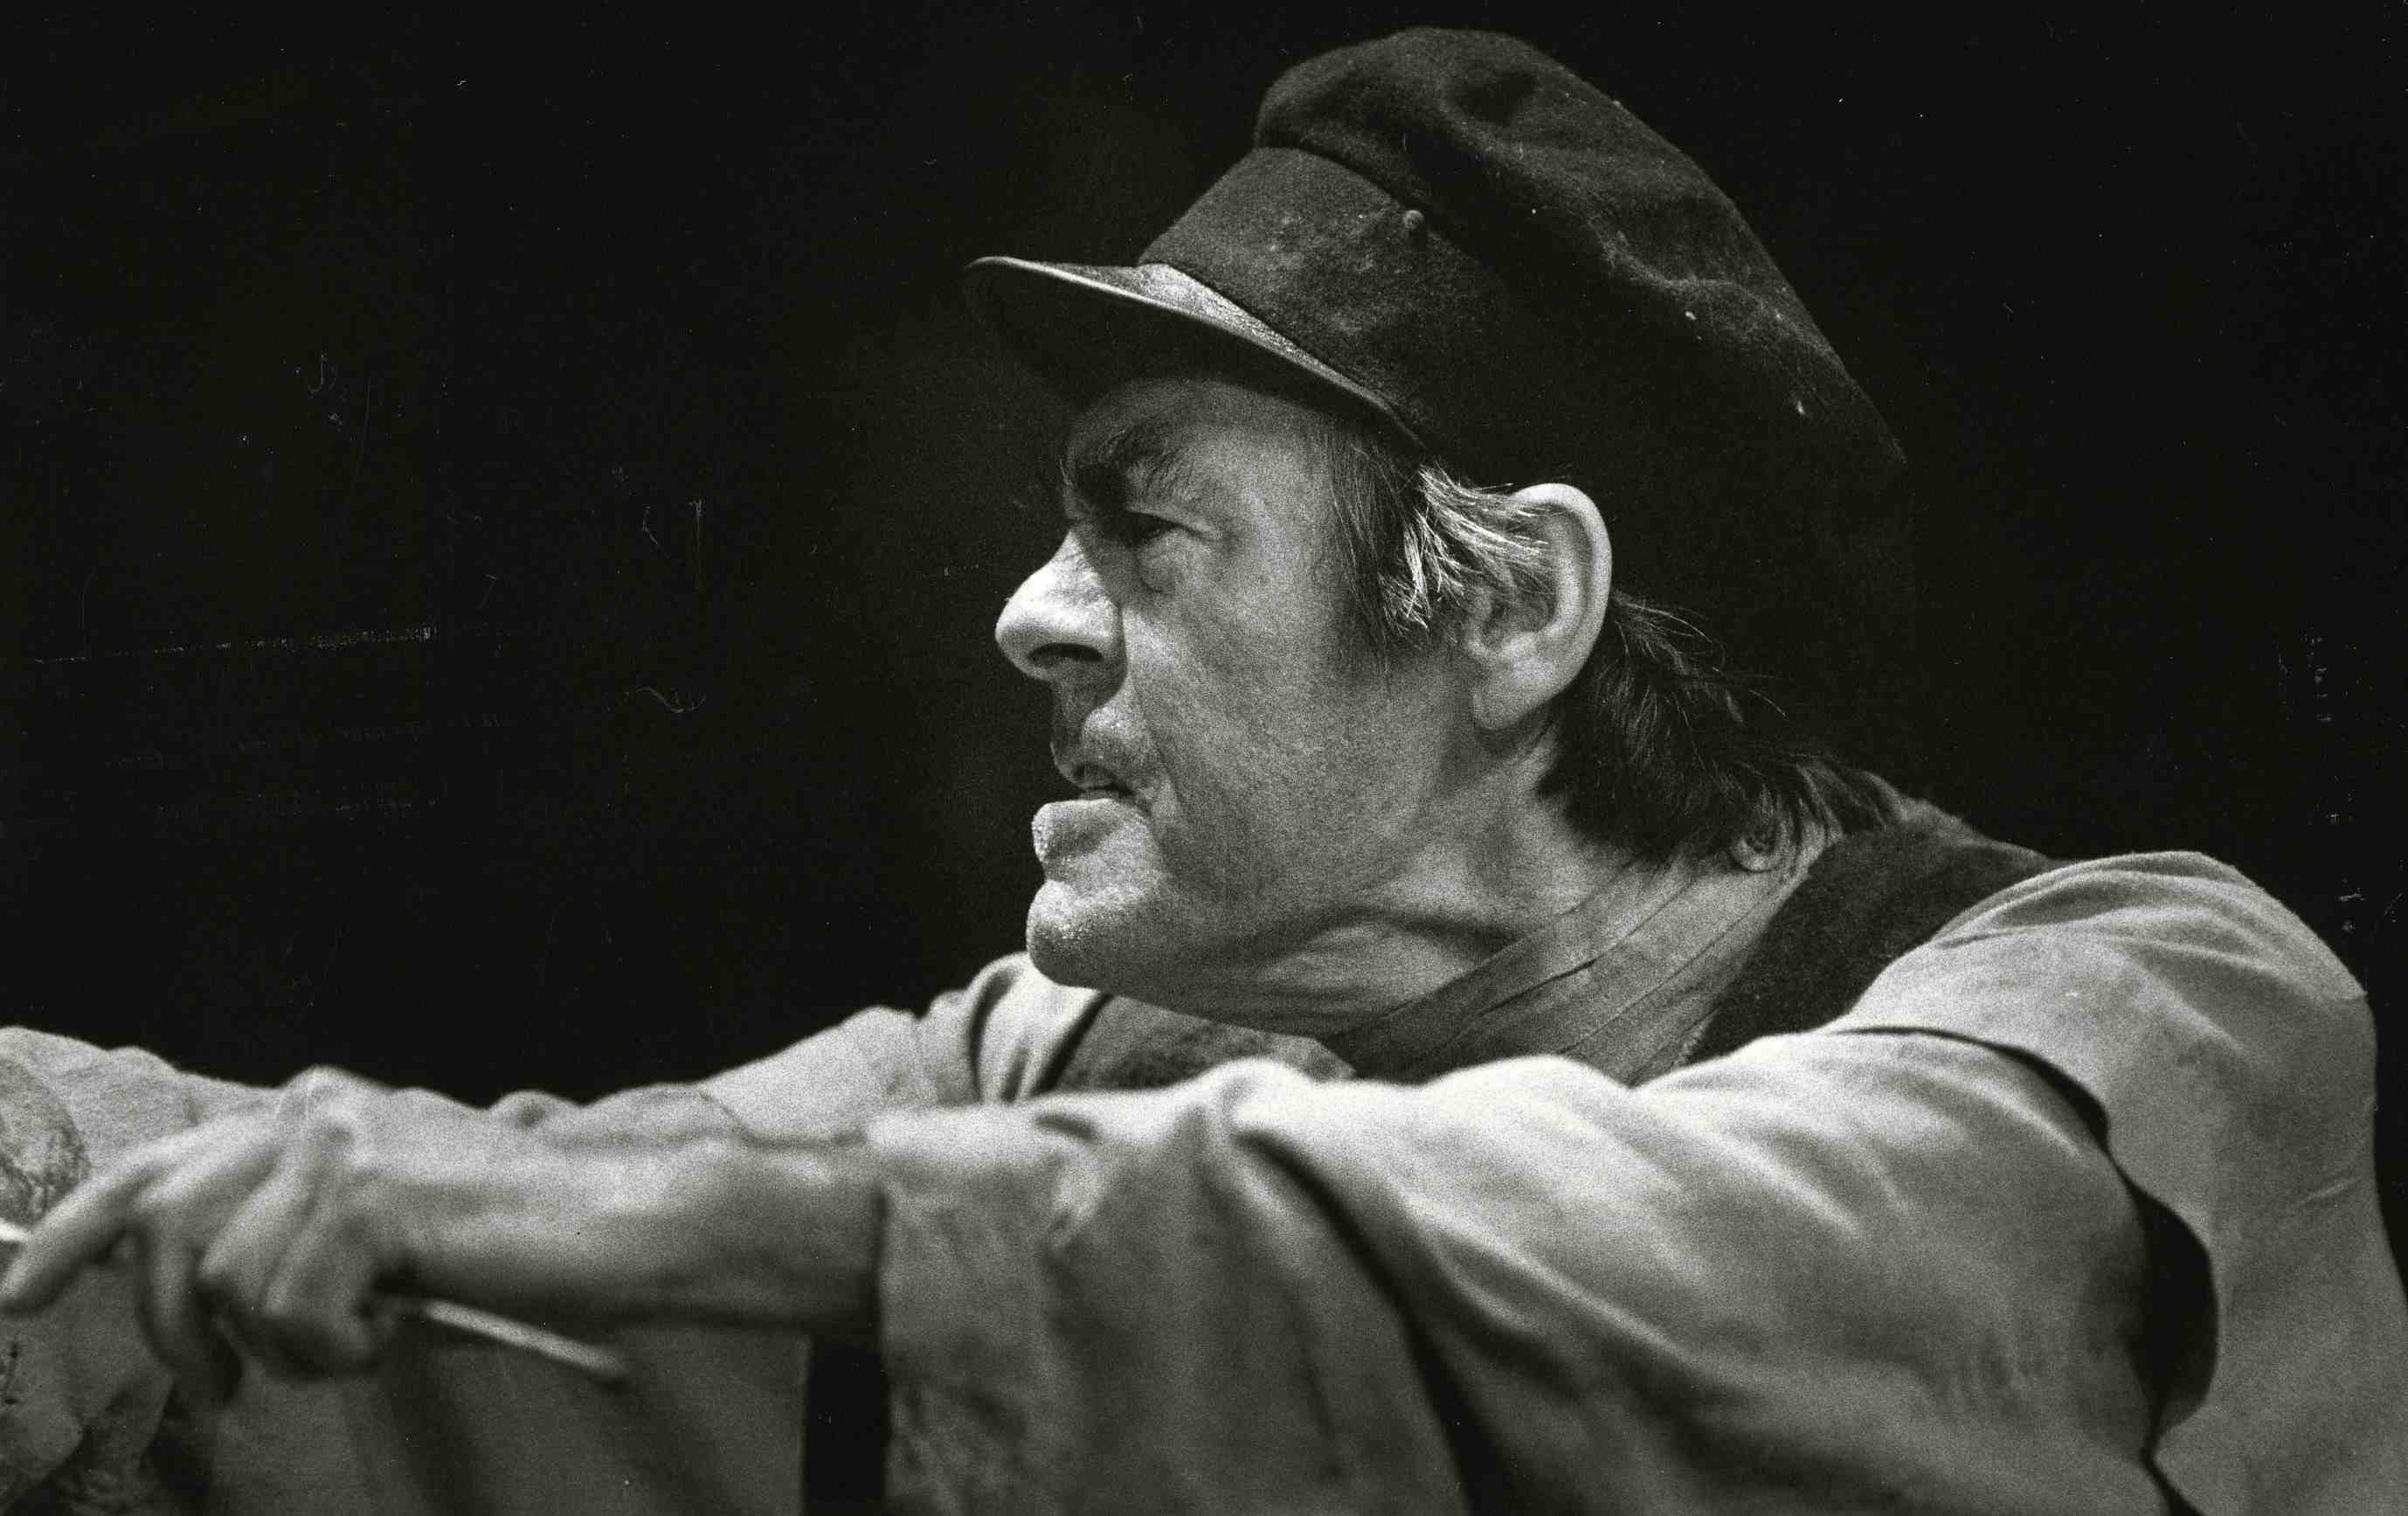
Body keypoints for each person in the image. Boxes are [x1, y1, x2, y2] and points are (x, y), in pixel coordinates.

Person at [2, 27, 2401, 1514]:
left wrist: (646, 1235)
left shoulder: (2146, 1006)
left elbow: (1629, 1270)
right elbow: (430, 1213)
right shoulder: (1095, 1047)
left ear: (1516, 611)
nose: (1027, 617)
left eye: (1139, 531)